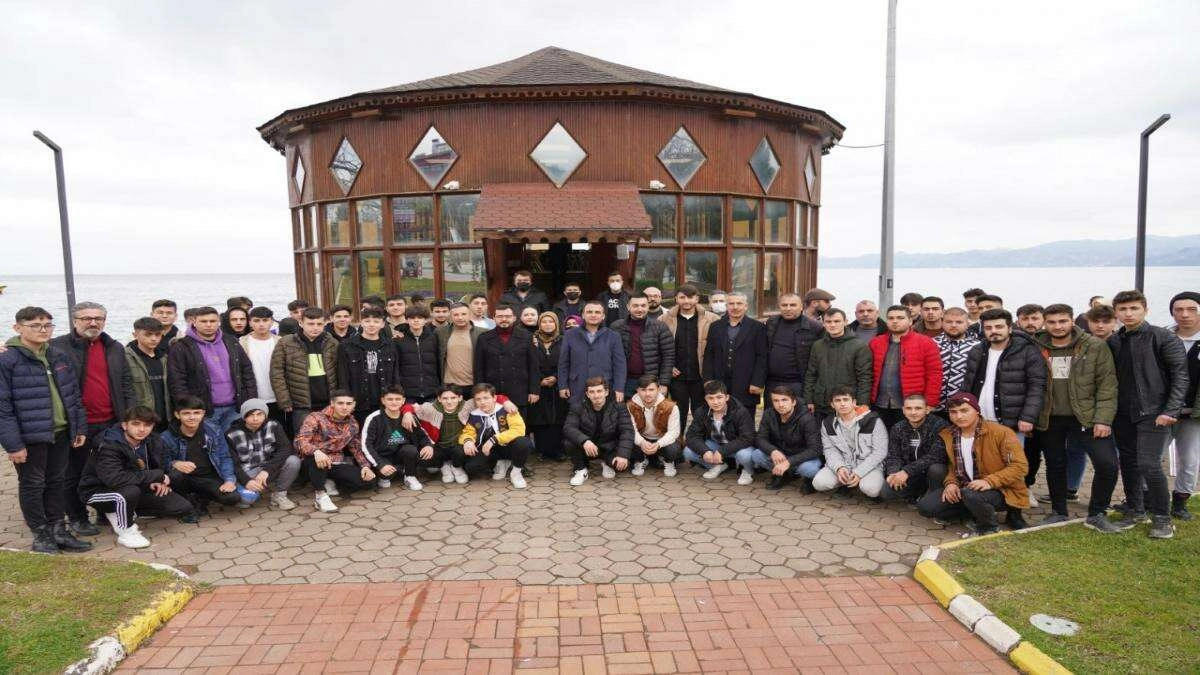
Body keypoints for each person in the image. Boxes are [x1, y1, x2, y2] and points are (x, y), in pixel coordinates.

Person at [1, 307, 89, 553]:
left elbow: (73, 395)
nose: (43, 330)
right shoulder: (7, 360)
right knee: (33, 484)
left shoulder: (58, 355)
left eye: (48, 325)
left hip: (60, 432)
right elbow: (2, 407)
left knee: (57, 482)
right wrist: (13, 445)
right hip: (30, 436)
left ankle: (58, 529)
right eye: (35, 325)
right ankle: (41, 534)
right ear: (18, 328)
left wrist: (78, 427)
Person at [1030, 304, 1122, 530]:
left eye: (1063, 321)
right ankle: (1058, 512)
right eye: (1052, 322)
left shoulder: (1094, 345)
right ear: (1044, 323)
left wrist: (1103, 419)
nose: (1057, 326)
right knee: (1055, 464)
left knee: (1107, 464)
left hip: (1086, 417)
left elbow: (1107, 385)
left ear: (1072, 321)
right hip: (1049, 417)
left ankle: (1097, 513)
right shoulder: (1035, 346)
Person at [51, 301, 135, 537]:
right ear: (75, 321)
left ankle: (104, 511)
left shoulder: (114, 347)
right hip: (77, 424)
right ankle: (77, 517)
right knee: (73, 473)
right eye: (87, 318)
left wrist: (128, 417)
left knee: (106, 470)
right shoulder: (56, 347)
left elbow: (126, 383)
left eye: (98, 318)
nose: (93, 322)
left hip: (111, 422)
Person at [1108, 290, 1188, 539]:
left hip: (1154, 412)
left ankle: (1162, 518)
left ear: (1145, 309)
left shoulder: (1163, 337)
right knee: (1128, 463)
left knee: (1149, 464)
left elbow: (1180, 376)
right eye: (1123, 309)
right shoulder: (1115, 340)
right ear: (1116, 313)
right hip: (1123, 413)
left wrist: (1170, 410)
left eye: (1134, 308)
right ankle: (1135, 510)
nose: (1128, 313)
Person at [78, 406, 195, 549]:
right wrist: (155, 477)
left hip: (136, 486)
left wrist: (163, 480)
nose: (142, 429)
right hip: (98, 491)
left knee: (181, 507)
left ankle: (126, 510)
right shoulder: (109, 444)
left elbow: (165, 466)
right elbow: (114, 479)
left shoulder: (153, 440)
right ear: (124, 425)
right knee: (129, 492)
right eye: (136, 424)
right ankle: (126, 531)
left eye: (147, 425)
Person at [918, 392, 1030, 535]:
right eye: (953, 412)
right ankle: (968, 514)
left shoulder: (1001, 432)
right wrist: (951, 483)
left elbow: (1020, 466)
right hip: (966, 487)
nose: (959, 416)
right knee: (926, 507)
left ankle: (988, 527)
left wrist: (989, 481)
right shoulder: (949, 434)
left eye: (964, 410)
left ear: (977, 411)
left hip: (1001, 489)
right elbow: (953, 464)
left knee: (971, 495)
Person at [401, 385, 520, 484]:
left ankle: (456, 467)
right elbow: (409, 406)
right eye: (445, 398)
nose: (449, 401)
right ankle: (444, 466)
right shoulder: (430, 408)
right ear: (439, 399)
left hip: (458, 445)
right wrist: (407, 413)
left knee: (461, 453)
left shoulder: (467, 405)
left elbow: (490, 397)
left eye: (453, 398)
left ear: (460, 397)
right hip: (438, 446)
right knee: (422, 459)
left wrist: (506, 401)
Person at [167, 306, 257, 432]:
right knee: (209, 443)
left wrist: (250, 399)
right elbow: (177, 380)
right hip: (204, 410)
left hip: (235, 407)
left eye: (213, 321)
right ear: (194, 322)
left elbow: (246, 370)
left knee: (233, 442)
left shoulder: (231, 341)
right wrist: (187, 407)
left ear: (219, 321)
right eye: (204, 321)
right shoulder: (181, 347)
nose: (209, 325)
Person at [160, 395, 249, 514]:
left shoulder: (214, 431)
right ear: (177, 415)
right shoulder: (166, 437)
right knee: (176, 475)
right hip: (183, 479)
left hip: (207, 477)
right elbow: (161, 463)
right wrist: (174, 463)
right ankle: (187, 499)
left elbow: (224, 457)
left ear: (203, 414)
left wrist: (229, 480)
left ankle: (201, 496)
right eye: (186, 413)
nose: (192, 417)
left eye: (196, 413)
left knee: (232, 498)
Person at [294, 390, 375, 512]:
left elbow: (355, 448)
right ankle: (320, 496)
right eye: (340, 403)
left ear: (353, 405)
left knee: (369, 482)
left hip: (335, 461)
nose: (344, 407)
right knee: (318, 461)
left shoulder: (353, 424)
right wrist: (316, 451)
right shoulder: (315, 417)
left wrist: (365, 466)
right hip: (311, 460)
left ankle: (328, 480)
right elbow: (300, 441)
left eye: (348, 403)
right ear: (332, 403)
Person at [868, 306, 943, 429]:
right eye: (891, 318)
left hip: (911, 405)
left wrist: (930, 402)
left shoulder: (926, 343)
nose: (895, 321)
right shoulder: (875, 343)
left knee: (907, 437)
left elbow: (935, 374)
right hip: (879, 403)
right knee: (880, 437)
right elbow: (868, 373)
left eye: (900, 318)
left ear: (910, 321)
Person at [271, 307, 339, 436]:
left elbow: (338, 371)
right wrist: (284, 400)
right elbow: (277, 373)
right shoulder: (286, 343)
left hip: (328, 402)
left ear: (325, 323)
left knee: (330, 438)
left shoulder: (332, 343)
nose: (315, 328)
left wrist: (337, 398)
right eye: (311, 324)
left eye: (319, 324)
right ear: (301, 323)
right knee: (304, 438)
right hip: (301, 404)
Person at [225, 398, 302, 510]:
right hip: (247, 472)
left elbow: (285, 448)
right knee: (246, 500)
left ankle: (279, 495)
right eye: (250, 415)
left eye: (259, 414)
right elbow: (233, 463)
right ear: (244, 416)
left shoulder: (273, 425)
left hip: (268, 467)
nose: (255, 418)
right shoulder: (231, 434)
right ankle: (249, 492)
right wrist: (246, 481)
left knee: (293, 461)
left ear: (265, 414)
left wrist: (266, 471)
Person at [661, 284, 719, 430]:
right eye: (682, 297)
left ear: (697, 299)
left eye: (690, 297)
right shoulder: (664, 319)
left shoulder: (712, 319)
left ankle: (701, 439)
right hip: (676, 377)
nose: (686, 301)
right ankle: (678, 439)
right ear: (676, 299)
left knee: (701, 412)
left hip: (701, 375)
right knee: (677, 412)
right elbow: (657, 347)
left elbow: (718, 349)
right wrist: (668, 366)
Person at [812, 387, 889, 497]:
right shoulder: (828, 423)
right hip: (845, 464)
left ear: (854, 402)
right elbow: (830, 450)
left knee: (870, 489)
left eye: (846, 399)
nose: (842, 404)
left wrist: (859, 472)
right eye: (837, 400)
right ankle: (845, 483)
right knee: (819, 483)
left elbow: (880, 452)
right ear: (832, 405)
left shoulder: (872, 421)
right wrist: (839, 467)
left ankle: (865, 482)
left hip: (869, 465)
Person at [362, 386, 437, 491]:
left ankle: (410, 476)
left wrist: (428, 445)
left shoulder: (409, 417)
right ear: (383, 400)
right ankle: (388, 474)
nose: (394, 402)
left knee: (410, 450)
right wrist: (380, 464)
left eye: (397, 399)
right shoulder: (374, 418)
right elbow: (366, 445)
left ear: (403, 401)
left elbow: (423, 435)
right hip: (382, 456)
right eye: (390, 399)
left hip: (401, 454)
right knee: (387, 477)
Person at [564, 377, 636, 485]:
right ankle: (581, 470)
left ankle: (606, 463)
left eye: (599, 391)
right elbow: (569, 427)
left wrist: (623, 455)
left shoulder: (619, 407)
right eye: (592, 392)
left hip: (609, 447)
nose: (596, 395)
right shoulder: (577, 407)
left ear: (606, 392)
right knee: (569, 442)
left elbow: (627, 431)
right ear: (587, 394)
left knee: (621, 466)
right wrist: (584, 441)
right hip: (588, 448)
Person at [747, 386, 822, 490]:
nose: (780, 404)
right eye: (776, 401)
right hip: (781, 454)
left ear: (793, 402)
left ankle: (808, 479)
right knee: (757, 455)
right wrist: (773, 451)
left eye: (784, 400)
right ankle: (784, 474)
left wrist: (789, 462)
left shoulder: (807, 419)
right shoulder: (769, 414)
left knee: (809, 469)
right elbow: (760, 438)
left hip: (802, 457)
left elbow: (816, 449)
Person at [459, 383, 532, 489]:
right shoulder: (474, 415)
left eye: (486, 398)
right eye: (478, 399)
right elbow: (468, 432)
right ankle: (500, 463)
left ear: (494, 398)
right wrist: (468, 440)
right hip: (489, 450)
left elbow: (518, 430)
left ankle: (516, 473)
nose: (482, 402)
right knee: (471, 468)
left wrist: (494, 439)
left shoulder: (507, 409)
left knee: (524, 443)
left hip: (508, 446)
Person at [1166, 291, 1199, 520]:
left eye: (1191, 309)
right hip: (1162, 411)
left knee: (1190, 458)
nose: (1184, 314)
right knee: (1150, 457)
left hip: (1193, 413)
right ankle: (1146, 498)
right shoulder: (1163, 337)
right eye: (1179, 309)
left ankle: (1180, 501)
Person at [803, 308, 872, 422]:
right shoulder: (818, 346)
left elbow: (865, 377)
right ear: (823, 323)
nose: (832, 325)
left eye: (837, 321)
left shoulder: (859, 346)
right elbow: (811, 374)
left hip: (848, 404)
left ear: (845, 322)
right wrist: (809, 399)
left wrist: (862, 403)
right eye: (828, 322)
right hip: (822, 403)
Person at [702, 292, 767, 411]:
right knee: (720, 416)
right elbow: (709, 355)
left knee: (745, 418)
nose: (735, 307)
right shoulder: (715, 326)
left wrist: (757, 382)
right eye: (731, 304)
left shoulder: (758, 327)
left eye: (739, 304)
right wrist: (708, 379)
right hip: (719, 382)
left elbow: (762, 357)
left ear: (746, 306)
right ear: (727, 306)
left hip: (746, 383)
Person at [879, 394, 949, 503]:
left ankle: (933, 493)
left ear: (927, 410)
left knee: (937, 469)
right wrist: (893, 473)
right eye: (909, 408)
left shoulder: (939, 425)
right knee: (886, 491)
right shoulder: (898, 427)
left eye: (918, 408)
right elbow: (894, 455)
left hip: (931, 472)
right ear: (903, 410)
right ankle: (916, 493)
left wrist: (906, 471)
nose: (913, 412)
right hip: (912, 473)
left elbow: (936, 456)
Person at [474, 303, 541, 417]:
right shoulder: (484, 338)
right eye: (500, 316)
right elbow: (479, 368)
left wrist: (534, 390)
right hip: (492, 393)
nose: (504, 319)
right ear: (494, 318)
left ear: (514, 318)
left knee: (518, 426)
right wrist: (480, 393)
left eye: (507, 316)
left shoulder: (526, 337)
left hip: (520, 392)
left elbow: (533, 366)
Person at [683, 379, 757, 482]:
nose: (715, 402)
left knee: (744, 455)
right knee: (688, 452)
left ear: (727, 397)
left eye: (719, 397)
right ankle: (718, 466)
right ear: (706, 399)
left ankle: (748, 471)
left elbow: (748, 437)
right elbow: (691, 436)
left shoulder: (740, 411)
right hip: (716, 444)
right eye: (711, 398)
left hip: (738, 447)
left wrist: (722, 451)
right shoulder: (701, 412)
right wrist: (705, 451)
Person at [337, 306, 399, 424]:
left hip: (384, 401)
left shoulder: (390, 345)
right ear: (361, 323)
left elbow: (395, 374)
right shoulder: (347, 345)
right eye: (367, 321)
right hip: (358, 402)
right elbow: (343, 376)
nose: (371, 325)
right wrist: (346, 401)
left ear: (382, 324)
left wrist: (396, 398)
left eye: (376, 321)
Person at [557, 301, 627, 405]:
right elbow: (563, 363)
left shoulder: (613, 336)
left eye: (597, 312)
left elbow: (620, 365)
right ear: (583, 315)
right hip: (577, 386)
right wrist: (563, 385)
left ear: (603, 316)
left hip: (604, 387)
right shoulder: (570, 335)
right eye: (589, 312)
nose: (593, 315)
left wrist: (619, 388)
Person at [610, 294, 675, 398]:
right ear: (628, 307)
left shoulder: (660, 327)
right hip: (625, 382)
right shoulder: (617, 327)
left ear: (648, 306)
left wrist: (664, 383)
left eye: (643, 305)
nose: (639, 309)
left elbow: (668, 356)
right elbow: (610, 356)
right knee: (624, 408)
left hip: (652, 381)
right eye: (635, 306)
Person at [527, 312, 569, 461]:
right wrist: (540, 380)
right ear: (539, 324)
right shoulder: (532, 340)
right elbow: (528, 362)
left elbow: (567, 361)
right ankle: (543, 450)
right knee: (540, 419)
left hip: (558, 385)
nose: (548, 324)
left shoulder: (564, 340)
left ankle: (558, 450)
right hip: (538, 385)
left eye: (551, 321)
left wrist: (556, 377)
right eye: (544, 322)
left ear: (556, 324)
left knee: (558, 419)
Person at [765, 292, 824, 398]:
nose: (788, 308)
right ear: (779, 306)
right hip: (772, 382)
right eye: (784, 305)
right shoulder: (772, 323)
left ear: (801, 307)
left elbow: (820, 358)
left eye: (793, 305)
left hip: (798, 383)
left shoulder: (815, 327)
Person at [626, 376, 683, 477]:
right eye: (643, 390)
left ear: (658, 389)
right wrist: (642, 442)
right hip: (642, 438)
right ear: (637, 390)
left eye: (651, 389)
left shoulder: (671, 406)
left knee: (673, 449)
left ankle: (668, 461)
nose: (647, 394)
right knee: (627, 442)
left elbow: (673, 432)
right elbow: (631, 430)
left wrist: (658, 444)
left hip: (662, 439)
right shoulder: (630, 406)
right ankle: (640, 460)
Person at [239, 307, 283, 426]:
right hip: (253, 397)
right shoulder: (242, 342)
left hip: (278, 397)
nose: (261, 324)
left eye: (265, 320)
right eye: (257, 320)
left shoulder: (280, 342)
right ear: (250, 322)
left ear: (271, 322)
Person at [933, 308, 981, 415]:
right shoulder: (932, 343)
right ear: (942, 323)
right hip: (934, 406)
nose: (953, 325)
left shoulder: (977, 346)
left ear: (967, 324)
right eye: (949, 322)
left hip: (963, 407)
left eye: (959, 322)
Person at [126, 317, 171, 430]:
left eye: (158, 334)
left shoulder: (165, 357)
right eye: (148, 334)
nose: (154, 338)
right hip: (141, 420)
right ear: (135, 335)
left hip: (166, 418)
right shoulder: (125, 357)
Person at [395, 305, 441, 404]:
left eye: (420, 318)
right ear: (407, 320)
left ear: (425, 320)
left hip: (431, 392)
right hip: (408, 393)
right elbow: (396, 367)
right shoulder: (399, 340)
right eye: (412, 318)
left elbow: (439, 363)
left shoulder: (434, 338)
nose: (416, 320)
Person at [436, 303, 484, 396]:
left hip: (474, 385)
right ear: (450, 316)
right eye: (456, 315)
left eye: (463, 314)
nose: (460, 318)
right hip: (449, 386)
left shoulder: (482, 333)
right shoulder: (441, 332)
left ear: (470, 314)